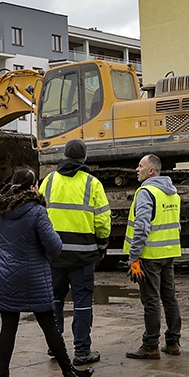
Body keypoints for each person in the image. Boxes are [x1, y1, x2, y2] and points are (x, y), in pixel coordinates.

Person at [0, 168, 94, 377]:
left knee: (8, 326)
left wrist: (7, 252)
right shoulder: (37, 211)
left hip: (5, 277)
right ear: (33, 186)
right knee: (48, 325)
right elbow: (55, 246)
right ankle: (69, 374)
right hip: (33, 276)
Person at [40, 139, 111, 365]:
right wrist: (102, 246)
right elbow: (102, 219)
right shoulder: (92, 183)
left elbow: (39, 214)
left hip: (54, 255)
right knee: (82, 302)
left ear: (64, 156)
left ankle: (55, 348)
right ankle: (82, 351)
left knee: (54, 301)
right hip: (83, 256)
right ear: (84, 158)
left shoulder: (49, 180)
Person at [124, 154, 182, 359]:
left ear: (151, 171)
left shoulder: (146, 192)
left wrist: (134, 255)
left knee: (151, 301)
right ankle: (173, 343)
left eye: (140, 166)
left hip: (150, 255)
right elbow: (177, 225)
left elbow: (141, 226)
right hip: (169, 253)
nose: (136, 169)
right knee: (169, 298)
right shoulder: (172, 193)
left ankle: (150, 346)